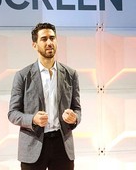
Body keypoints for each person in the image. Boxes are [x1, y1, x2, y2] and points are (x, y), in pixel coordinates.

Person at [8, 22, 81, 170]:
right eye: (44, 39)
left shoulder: (71, 74)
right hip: (32, 145)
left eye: (52, 38)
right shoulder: (22, 76)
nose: (49, 43)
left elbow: (77, 109)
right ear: (34, 44)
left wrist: (75, 118)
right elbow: (12, 113)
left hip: (62, 145)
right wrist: (32, 119)